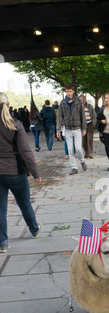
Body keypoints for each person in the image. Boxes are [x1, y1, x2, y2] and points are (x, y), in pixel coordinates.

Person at [0, 93, 42, 253]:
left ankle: (3, 242)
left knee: (0, 209)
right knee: (24, 203)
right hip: (15, 171)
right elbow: (26, 151)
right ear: (8, 105)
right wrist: (36, 172)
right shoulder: (15, 125)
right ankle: (34, 229)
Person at [56, 84, 87, 175]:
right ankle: (74, 167)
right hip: (68, 129)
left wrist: (84, 128)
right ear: (65, 92)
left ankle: (82, 161)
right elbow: (59, 117)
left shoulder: (78, 102)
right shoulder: (62, 103)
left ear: (73, 91)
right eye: (67, 91)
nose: (69, 93)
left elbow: (83, 116)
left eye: (70, 91)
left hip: (77, 129)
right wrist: (58, 130)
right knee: (70, 150)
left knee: (78, 148)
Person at [79, 95, 97, 159]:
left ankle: (90, 153)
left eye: (83, 99)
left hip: (90, 124)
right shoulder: (78, 107)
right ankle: (86, 152)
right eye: (81, 99)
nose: (82, 101)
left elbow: (94, 115)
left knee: (89, 139)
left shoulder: (90, 106)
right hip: (82, 126)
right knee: (84, 141)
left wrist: (93, 123)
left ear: (85, 99)